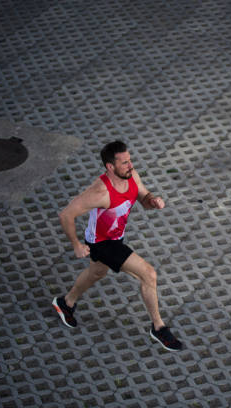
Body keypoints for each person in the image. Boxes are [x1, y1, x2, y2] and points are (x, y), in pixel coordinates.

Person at [52, 140, 183, 351]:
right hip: (101, 243)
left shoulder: (132, 176)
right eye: (124, 163)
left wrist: (153, 200)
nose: (130, 165)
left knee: (97, 272)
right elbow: (66, 214)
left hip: (116, 237)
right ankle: (158, 328)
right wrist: (76, 244)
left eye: (130, 160)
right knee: (148, 274)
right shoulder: (99, 192)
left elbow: (143, 197)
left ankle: (65, 303)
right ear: (110, 167)